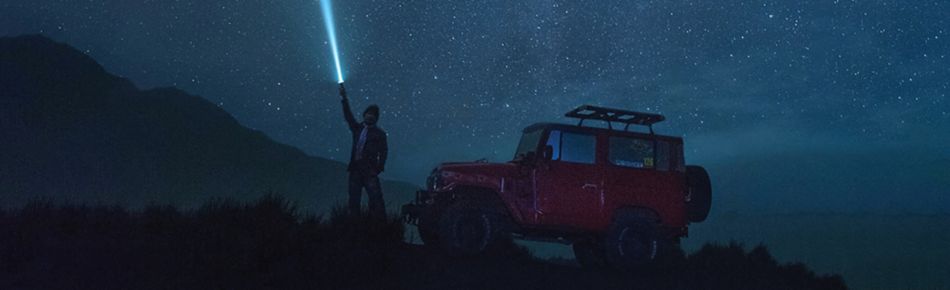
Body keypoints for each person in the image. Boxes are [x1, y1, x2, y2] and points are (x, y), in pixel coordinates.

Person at [339, 84, 388, 218]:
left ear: (376, 118)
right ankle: (354, 226)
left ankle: (379, 226)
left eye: (373, 115)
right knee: (353, 199)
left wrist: (379, 167)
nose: (370, 116)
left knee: (376, 198)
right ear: (364, 115)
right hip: (355, 169)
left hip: (370, 170)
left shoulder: (380, 134)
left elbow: (384, 152)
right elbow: (348, 115)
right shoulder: (357, 128)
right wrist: (344, 98)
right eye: (368, 114)